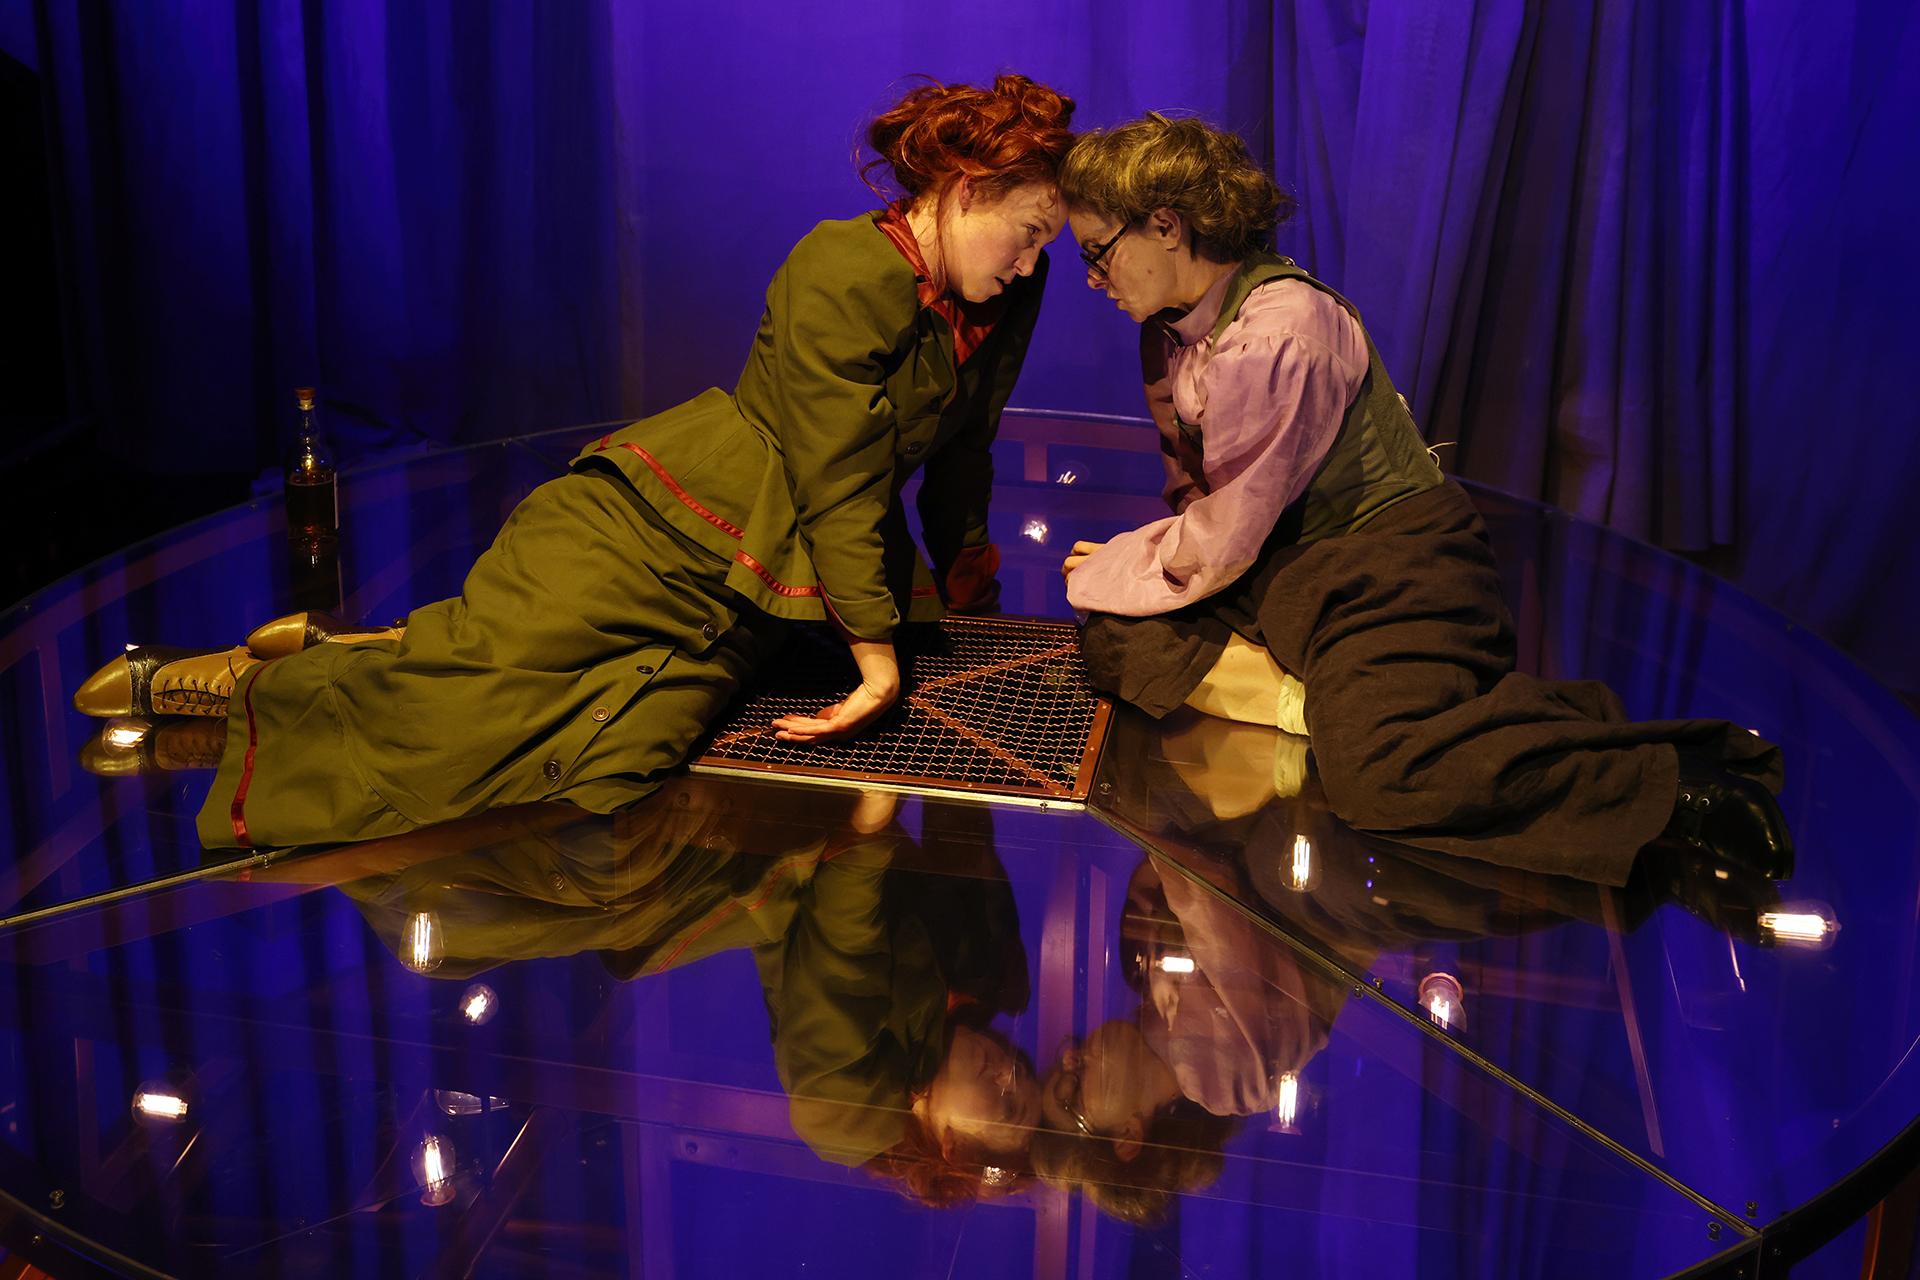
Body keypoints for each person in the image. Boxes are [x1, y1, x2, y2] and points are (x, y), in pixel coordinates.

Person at [70, 75, 1075, 851]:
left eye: (1047, 248)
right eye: (1027, 235)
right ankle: (219, 683)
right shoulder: (842, 268)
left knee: (613, 750)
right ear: (964, 189)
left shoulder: (1005, 294)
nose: (1032, 264)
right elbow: (841, 474)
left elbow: (964, 450)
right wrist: (877, 652)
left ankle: (351, 651)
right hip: (662, 527)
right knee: (472, 710)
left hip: (771, 571)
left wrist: (967, 585)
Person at [1054, 113, 1792, 889]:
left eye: (1098, 252)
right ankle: (1339, 709)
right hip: (1287, 575)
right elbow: (1202, 501)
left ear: (1166, 226)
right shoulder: (1173, 332)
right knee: (1114, 637)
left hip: (1389, 570)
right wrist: (1133, 580)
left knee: (1379, 779)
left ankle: (1672, 790)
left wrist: (1128, 564)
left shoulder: (1279, 335)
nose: (1094, 280)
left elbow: (1225, 531)